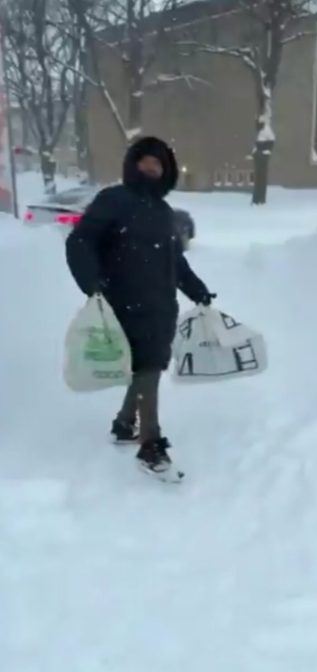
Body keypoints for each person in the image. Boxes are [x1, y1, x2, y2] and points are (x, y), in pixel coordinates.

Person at [65, 136, 214, 477]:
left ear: (166, 171)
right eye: (145, 161)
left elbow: (176, 262)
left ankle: (123, 424)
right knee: (147, 369)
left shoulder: (164, 214)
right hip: (124, 302)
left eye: (157, 164)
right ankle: (150, 445)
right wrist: (92, 284)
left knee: (148, 368)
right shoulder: (114, 200)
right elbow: (81, 241)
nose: (151, 167)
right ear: (133, 165)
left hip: (161, 306)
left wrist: (198, 292)